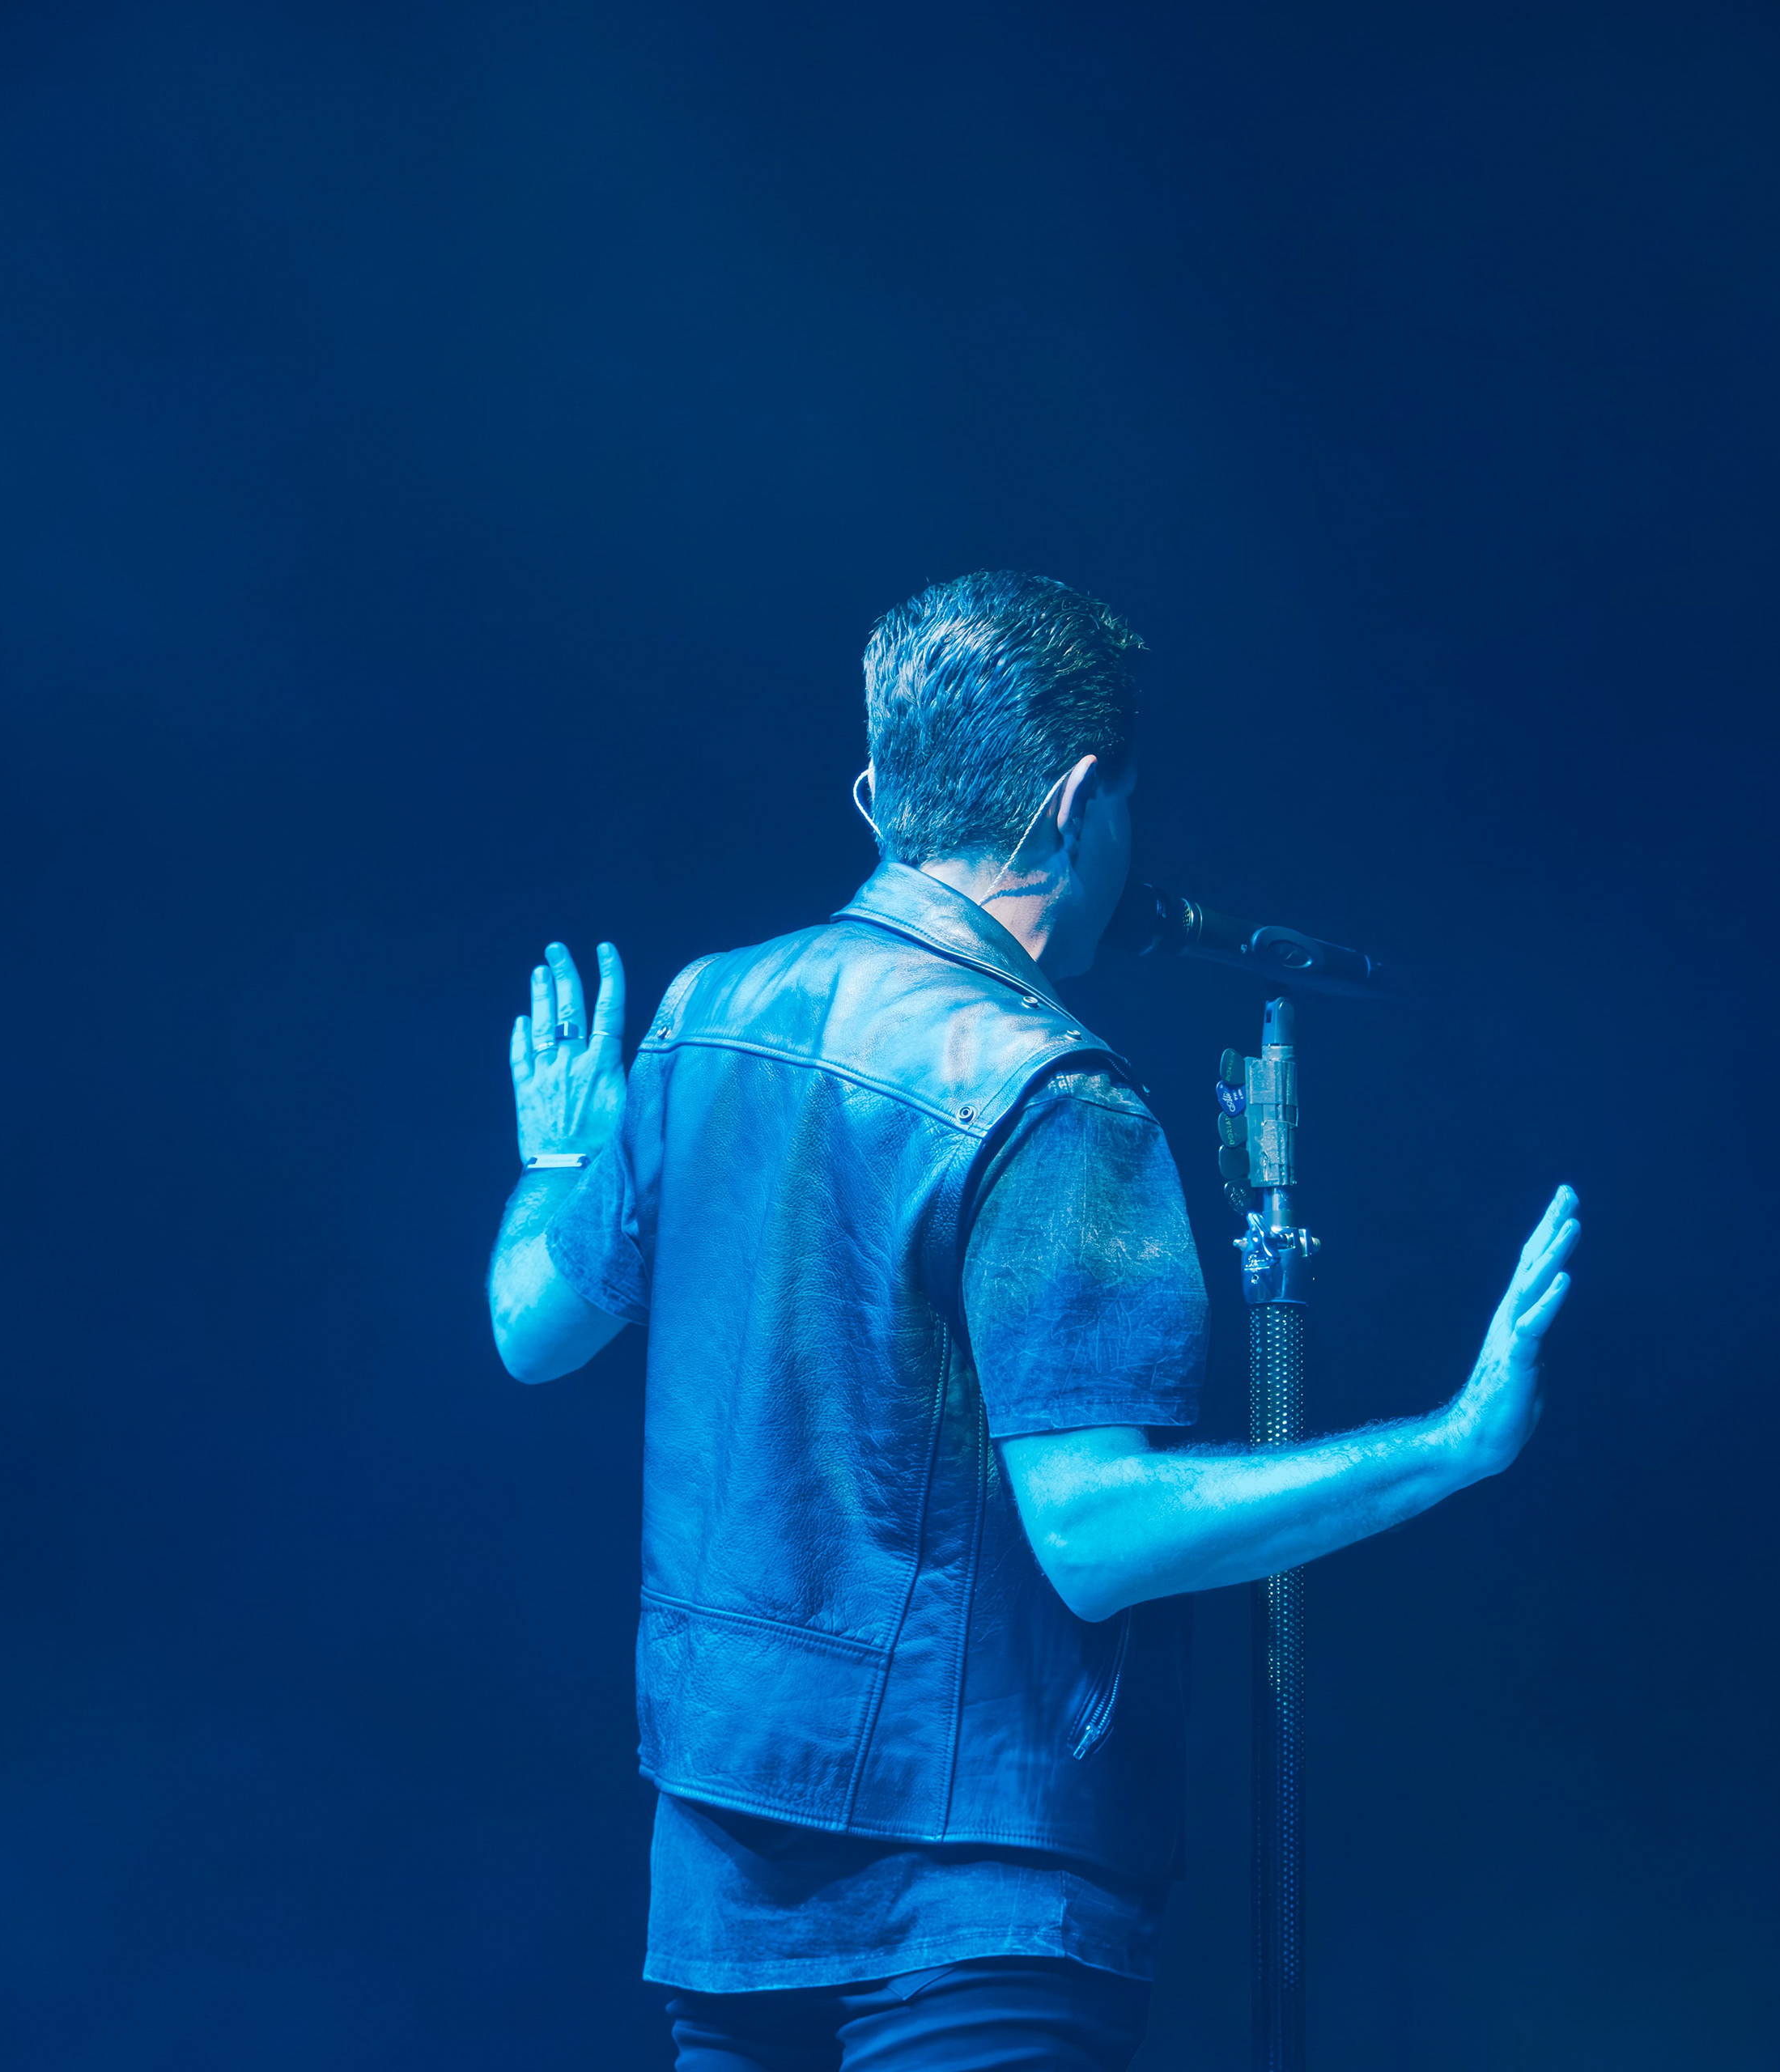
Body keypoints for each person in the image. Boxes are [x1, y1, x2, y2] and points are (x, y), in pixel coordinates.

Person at [486, 571, 1579, 2071]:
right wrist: (1449, 1445)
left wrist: (559, 1160)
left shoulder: (698, 1021)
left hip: (726, 1881)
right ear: (1076, 802)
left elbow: (529, 1327)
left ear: (880, 790)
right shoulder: (1049, 1091)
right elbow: (1096, 1530)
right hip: (975, 1902)